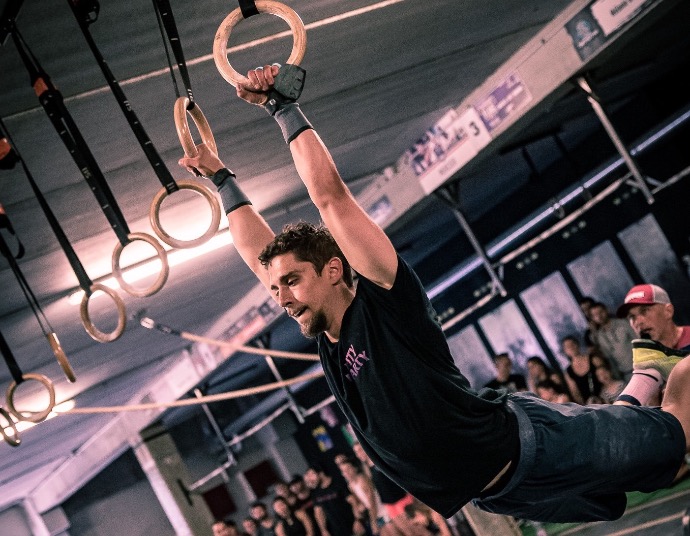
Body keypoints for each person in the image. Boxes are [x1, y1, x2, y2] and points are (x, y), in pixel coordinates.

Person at [179, 64, 690, 524]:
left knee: (675, 440)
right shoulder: (329, 344)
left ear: (334, 269)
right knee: (645, 477)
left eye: (291, 281)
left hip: (533, 444)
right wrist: (220, 179)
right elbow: (257, 255)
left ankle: (664, 370)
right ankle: (648, 372)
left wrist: (281, 106)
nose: (281, 296)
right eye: (276, 288)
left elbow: (330, 197)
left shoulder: (383, 299)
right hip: (506, 492)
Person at [615, 284, 690, 407]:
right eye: (632, 317)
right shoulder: (647, 360)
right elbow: (625, 405)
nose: (638, 322)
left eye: (644, 311)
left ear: (668, 311)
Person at [303, 465, 363, 536]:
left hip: (353, 526)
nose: (310, 478)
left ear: (321, 473)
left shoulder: (337, 483)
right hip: (337, 531)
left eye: (311, 474)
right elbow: (318, 512)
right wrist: (323, 530)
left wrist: (358, 520)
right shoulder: (316, 492)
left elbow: (353, 502)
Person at [588, 301, 637, 381]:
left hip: (641, 366)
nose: (599, 316)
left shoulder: (623, 323)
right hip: (626, 374)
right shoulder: (600, 336)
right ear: (593, 319)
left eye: (600, 312)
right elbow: (610, 359)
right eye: (595, 315)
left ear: (606, 310)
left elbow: (640, 340)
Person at [560, 335, 601, 405]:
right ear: (565, 351)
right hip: (590, 404)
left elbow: (607, 375)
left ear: (577, 344)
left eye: (572, 344)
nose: (571, 347)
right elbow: (575, 393)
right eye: (567, 346)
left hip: (605, 396)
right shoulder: (569, 371)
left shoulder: (593, 359)